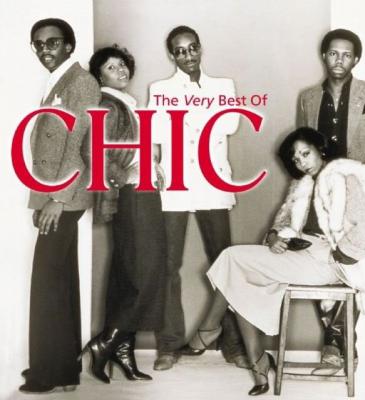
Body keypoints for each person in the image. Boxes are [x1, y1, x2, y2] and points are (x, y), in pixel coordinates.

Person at [185, 127, 365, 396]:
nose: (301, 162)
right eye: (296, 158)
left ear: (320, 149)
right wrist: (272, 238)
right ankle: (257, 363)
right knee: (237, 272)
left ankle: (210, 331)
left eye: (306, 153)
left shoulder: (344, 178)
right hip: (298, 252)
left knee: (233, 260)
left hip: (325, 260)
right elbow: (281, 222)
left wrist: (342, 254)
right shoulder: (301, 184)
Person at [147, 25, 247, 371]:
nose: (187, 55)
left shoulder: (223, 86)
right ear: (171, 55)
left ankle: (233, 343)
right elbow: (156, 134)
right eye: (180, 50)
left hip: (212, 181)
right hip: (175, 182)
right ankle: (168, 345)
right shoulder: (160, 90)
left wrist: (187, 117)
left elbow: (229, 125)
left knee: (225, 264)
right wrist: (153, 164)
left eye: (192, 48)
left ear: (200, 48)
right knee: (168, 266)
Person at [297, 28, 365, 371]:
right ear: (324, 56)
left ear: (356, 59)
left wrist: (364, 181)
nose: (339, 60)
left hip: (354, 195)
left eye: (347, 54)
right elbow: (302, 148)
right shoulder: (309, 97)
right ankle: (340, 345)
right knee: (321, 259)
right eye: (333, 53)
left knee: (352, 262)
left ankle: (334, 345)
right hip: (319, 194)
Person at [19, 18, 101, 394]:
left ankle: (47, 373)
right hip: (55, 193)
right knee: (61, 278)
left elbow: (76, 144)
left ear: (69, 45)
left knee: (47, 281)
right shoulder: (60, 80)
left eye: (52, 42)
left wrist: (57, 198)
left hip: (66, 195)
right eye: (38, 44)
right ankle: (65, 371)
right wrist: (44, 196)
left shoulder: (80, 82)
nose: (44, 50)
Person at [79, 45, 167, 384]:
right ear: (99, 75)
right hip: (132, 194)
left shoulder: (124, 103)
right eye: (111, 67)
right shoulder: (108, 104)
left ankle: (123, 351)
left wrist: (151, 166)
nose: (120, 71)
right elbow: (92, 149)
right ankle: (105, 342)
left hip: (141, 189)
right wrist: (123, 174)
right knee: (146, 269)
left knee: (130, 271)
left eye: (122, 65)